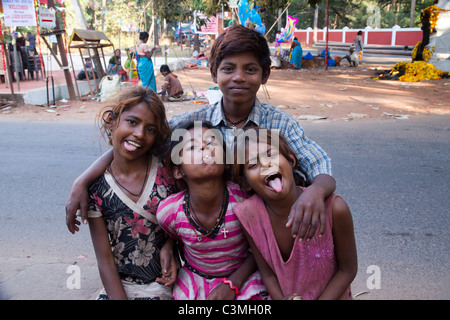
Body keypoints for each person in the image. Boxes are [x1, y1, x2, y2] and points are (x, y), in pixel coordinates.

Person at [65, 24, 335, 244]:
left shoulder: (280, 124)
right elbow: (140, 143)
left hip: (265, 240)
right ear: (214, 73)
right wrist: (83, 180)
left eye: (250, 69)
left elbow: (318, 164)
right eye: (228, 68)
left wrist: (315, 191)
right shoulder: (191, 123)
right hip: (206, 242)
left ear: (265, 74)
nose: (239, 77)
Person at [233, 128, 357, 300]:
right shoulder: (248, 214)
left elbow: (347, 270)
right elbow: (267, 273)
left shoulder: (335, 209)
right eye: (253, 165)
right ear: (245, 184)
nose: (266, 164)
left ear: (290, 160)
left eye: (271, 155)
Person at [156, 120, 266, 300]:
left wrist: (233, 283)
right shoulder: (169, 213)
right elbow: (177, 237)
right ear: (178, 171)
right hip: (194, 281)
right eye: (192, 147)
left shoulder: (244, 202)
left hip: (242, 278)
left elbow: (261, 249)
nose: (204, 150)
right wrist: (168, 246)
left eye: (211, 143)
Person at [86, 86, 178, 299]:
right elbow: (105, 260)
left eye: (151, 129)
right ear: (112, 120)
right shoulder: (96, 189)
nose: (139, 134)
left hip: (166, 286)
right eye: (132, 122)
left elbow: (187, 220)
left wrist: (171, 244)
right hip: (120, 288)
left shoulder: (167, 173)